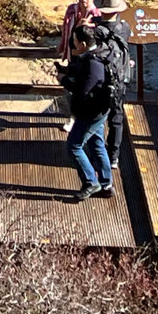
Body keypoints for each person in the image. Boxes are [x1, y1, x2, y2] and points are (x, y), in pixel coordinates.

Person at [60, 20, 118, 201]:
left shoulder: (92, 63)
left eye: (75, 43)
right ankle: (106, 184)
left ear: (83, 45)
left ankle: (91, 182)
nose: (73, 46)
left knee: (74, 146)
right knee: (96, 145)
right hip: (100, 109)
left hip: (91, 113)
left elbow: (82, 90)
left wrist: (63, 80)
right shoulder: (100, 53)